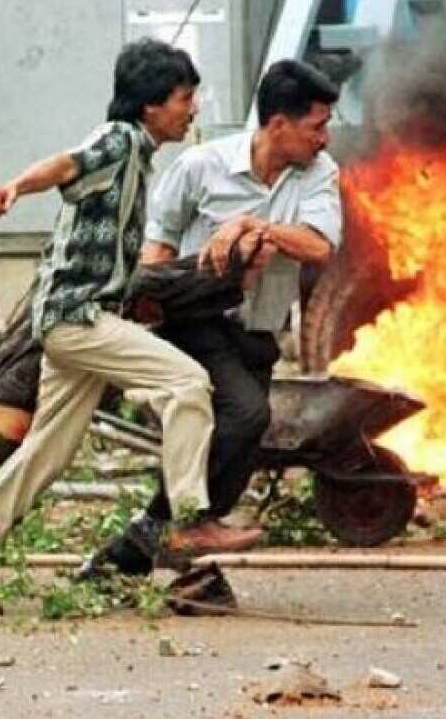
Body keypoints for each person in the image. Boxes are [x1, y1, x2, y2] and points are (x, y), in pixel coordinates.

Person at [0, 38, 262, 614]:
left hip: (74, 321)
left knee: (46, 455)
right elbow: (66, 164)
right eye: (186, 97)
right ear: (151, 104)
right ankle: (187, 520)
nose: (193, 108)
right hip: (77, 320)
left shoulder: (139, 154)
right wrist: (13, 188)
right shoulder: (121, 138)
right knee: (186, 383)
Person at [87, 59, 343, 581]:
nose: (326, 138)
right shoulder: (201, 166)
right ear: (278, 125)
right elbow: (158, 246)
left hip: (259, 329)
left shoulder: (320, 173)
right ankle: (189, 524)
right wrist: (138, 312)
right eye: (317, 126)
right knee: (245, 414)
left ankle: (138, 552)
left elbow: (318, 246)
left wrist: (254, 225)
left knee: (240, 440)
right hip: (197, 323)